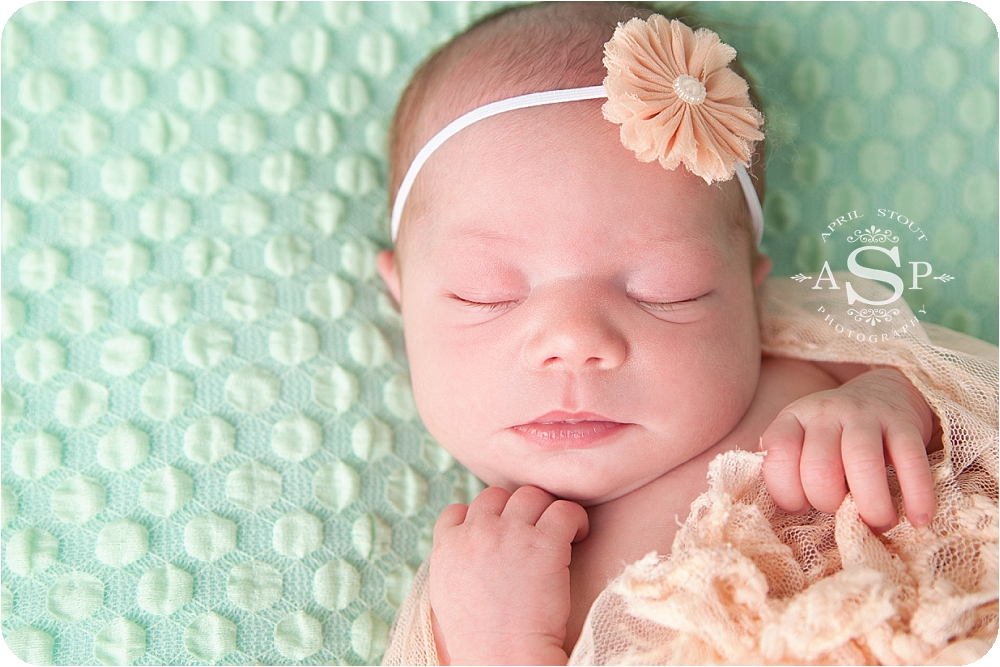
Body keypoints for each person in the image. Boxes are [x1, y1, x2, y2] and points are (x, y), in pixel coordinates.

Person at [375, 3, 998, 664]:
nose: (575, 339)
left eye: (665, 289)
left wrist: (891, 401)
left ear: (748, 292)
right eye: (487, 291)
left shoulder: (809, 368)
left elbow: (968, 395)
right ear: (402, 294)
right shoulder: (476, 586)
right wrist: (495, 644)